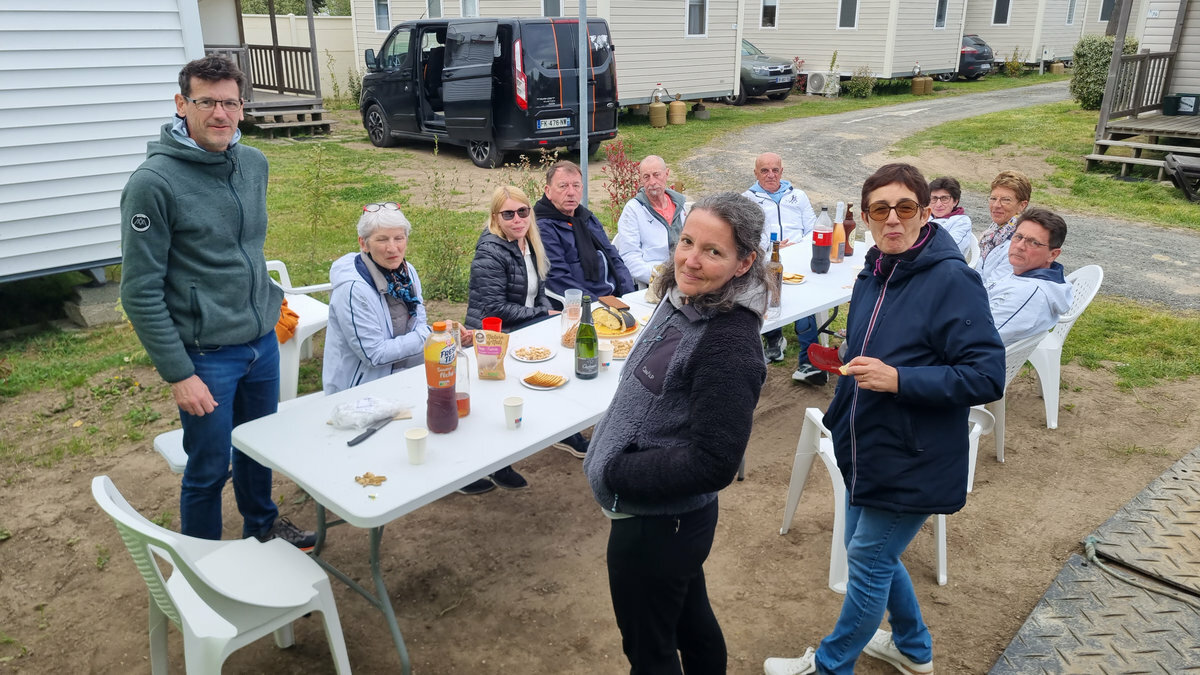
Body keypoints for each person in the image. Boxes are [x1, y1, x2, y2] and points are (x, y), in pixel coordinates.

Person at [764, 164, 1004, 675]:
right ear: (867, 217)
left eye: (905, 207)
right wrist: (844, 370)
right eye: (880, 209)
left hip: (913, 454)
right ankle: (914, 648)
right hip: (867, 442)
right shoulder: (875, 269)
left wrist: (899, 379)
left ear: (925, 212)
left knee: (868, 559)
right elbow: (875, 344)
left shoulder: (952, 280)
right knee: (867, 551)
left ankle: (831, 666)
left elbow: (986, 376)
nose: (892, 219)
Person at [119, 55, 315, 549]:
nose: (220, 114)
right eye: (206, 102)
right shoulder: (153, 184)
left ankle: (262, 526)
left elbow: (245, 249)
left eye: (230, 102)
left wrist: (268, 308)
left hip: (261, 342)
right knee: (209, 466)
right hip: (207, 356)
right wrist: (179, 374)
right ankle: (202, 560)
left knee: (259, 447)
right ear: (181, 104)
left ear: (242, 107)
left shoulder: (253, 163)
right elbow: (139, 291)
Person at [585, 192, 768, 674]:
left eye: (713, 251)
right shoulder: (687, 299)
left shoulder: (729, 343)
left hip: (658, 523)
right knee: (691, 623)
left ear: (744, 262)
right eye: (687, 241)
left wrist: (619, 471)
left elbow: (715, 460)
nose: (690, 259)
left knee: (649, 652)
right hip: (668, 521)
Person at [461, 185, 559, 492]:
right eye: (508, 214)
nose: (517, 219)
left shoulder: (529, 243)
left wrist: (544, 310)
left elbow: (539, 292)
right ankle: (471, 470)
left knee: (516, 400)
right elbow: (494, 308)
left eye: (523, 211)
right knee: (491, 406)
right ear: (495, 217)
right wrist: (543, 314)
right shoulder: (491, 251)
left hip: (521, 332)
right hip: (492, 338)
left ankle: (500, 462)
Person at [323, 202, 431, 394]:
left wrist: (436, 336)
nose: (392, 248)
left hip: (405, 378)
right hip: (358, 392)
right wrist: (431, 335)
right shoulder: (352, 290)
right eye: (382, 240)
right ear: (363, 244)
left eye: (399, 238)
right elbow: (374, 354)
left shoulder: (407, 273)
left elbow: (419, 323)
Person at [741, 152, 823, 384]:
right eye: (764, 171)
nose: (770, 175)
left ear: (782, 171)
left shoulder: (798, 196)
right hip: (766, 261)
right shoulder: (747, 199)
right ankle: (773, 339)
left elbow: (813, 229)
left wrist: (799, 246)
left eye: (775, 170)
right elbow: (747, 239)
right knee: (763, 289)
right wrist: (772, 248)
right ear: (756, 173)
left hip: (798, 257)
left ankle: (809, 361)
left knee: (803, 298)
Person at [536, 160, 636, 301]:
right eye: (563, 186)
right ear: (548, 191)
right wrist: (596, 305)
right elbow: (558, 278)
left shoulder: (587, 218)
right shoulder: (543, 227)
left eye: (576, 186)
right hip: (584, 304)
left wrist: (629, 295)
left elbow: (614, 257)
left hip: (615, 297)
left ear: (582, 189)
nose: (571, 192)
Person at [980, 207, 1072, 346]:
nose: (1020, 246)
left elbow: (977, 339)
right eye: (1018, 237)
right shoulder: (1023, 274)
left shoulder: (1027, 293)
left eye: (1033, 242)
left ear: (1052, 254)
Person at [614, 155, 688, 286]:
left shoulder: (681, 205)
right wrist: (663, 277)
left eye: (656, 175)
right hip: (654, 282)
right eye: (646, 177)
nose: (652, 182)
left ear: (667, 174)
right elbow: (630, 258)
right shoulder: (633, 210)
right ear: (641, 180)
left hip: (686, 275)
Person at [978, 170, 1031, 262]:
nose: (996, 205)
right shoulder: (995, 230)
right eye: (993, 198)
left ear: (1022, 205)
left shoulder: (1018, 245)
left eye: (1006, 200)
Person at [927, 176, 973, 257]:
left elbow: (949, 248)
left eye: (944, 198)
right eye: (934, 198)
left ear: (955, 201)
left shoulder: (961, 221)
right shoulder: (924, 216)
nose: (938, 204)